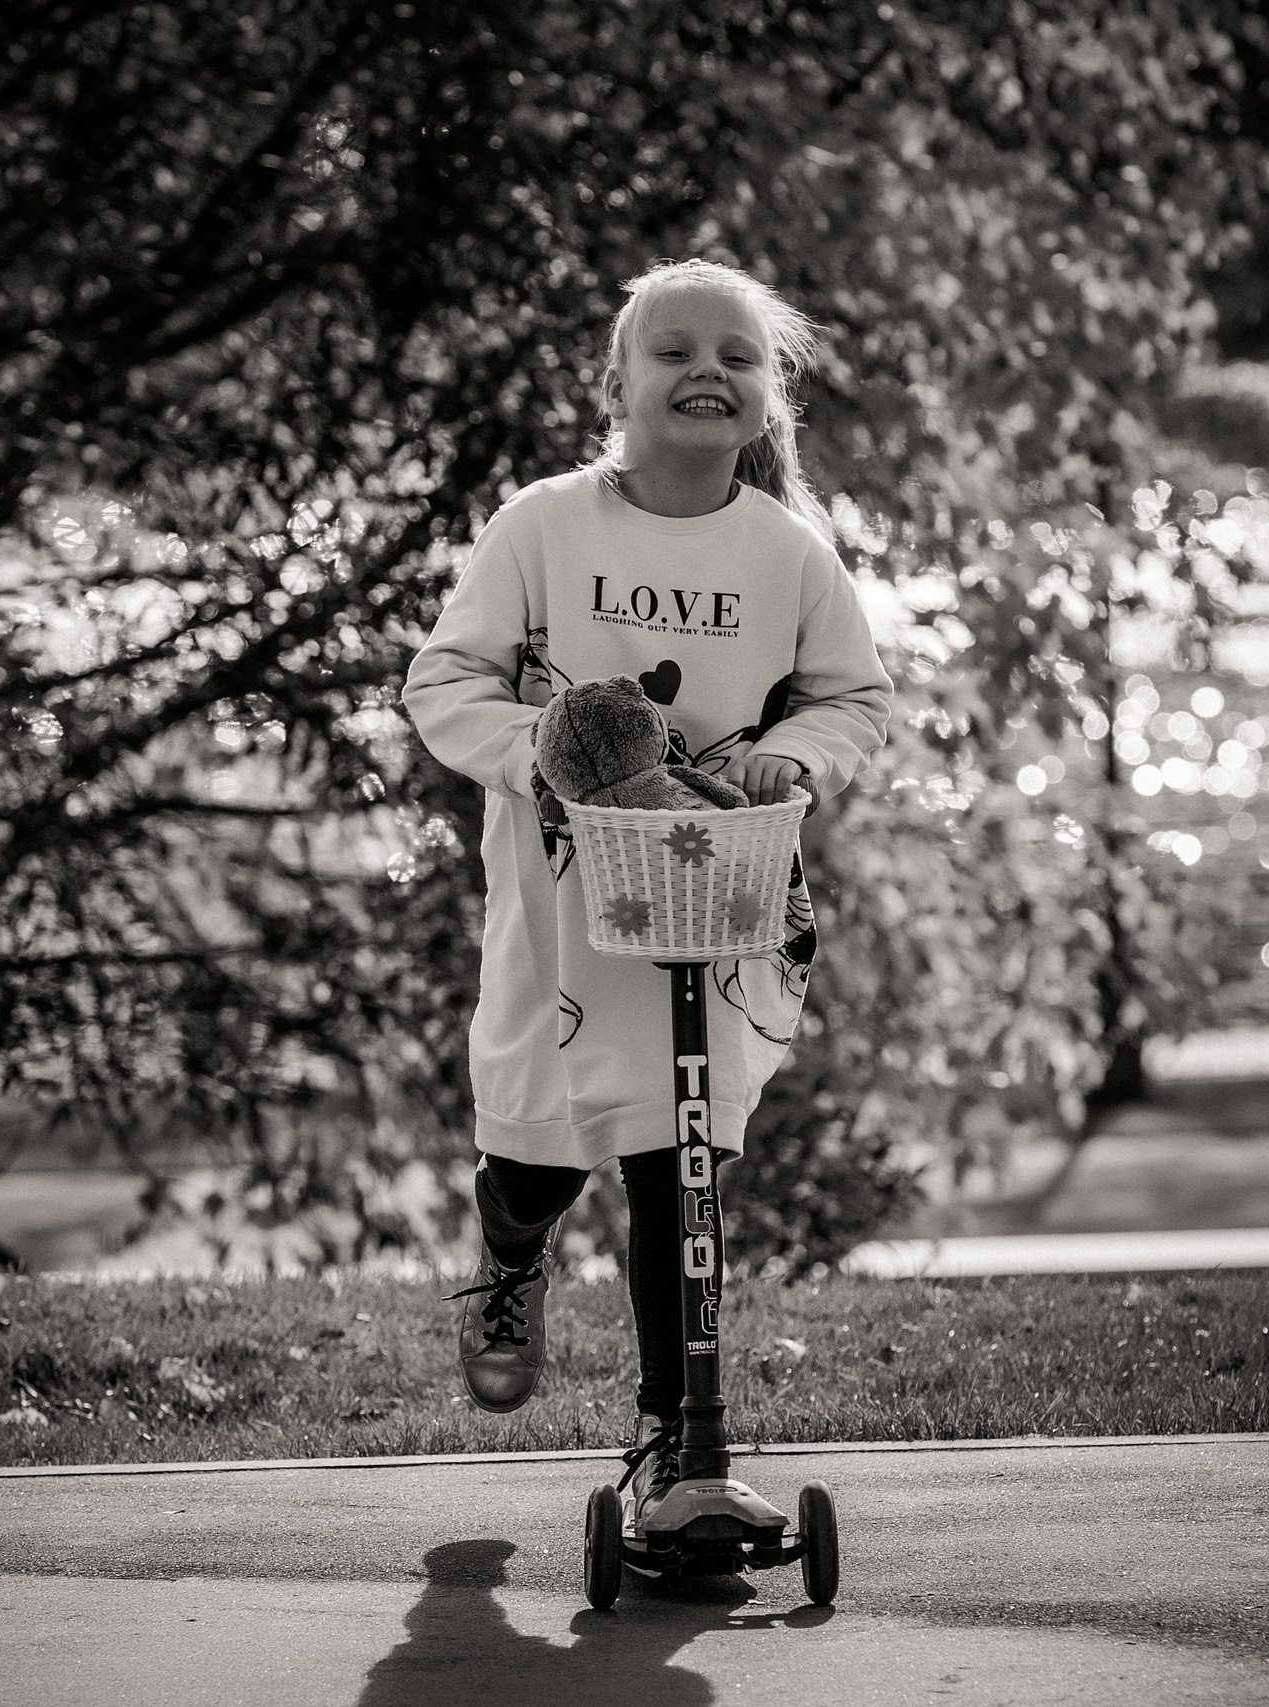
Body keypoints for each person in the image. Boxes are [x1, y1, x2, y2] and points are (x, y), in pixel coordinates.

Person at [401, 257, 892, 1518]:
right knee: (540, 1151)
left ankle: (684, 1449)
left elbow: (854, 699)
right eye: (672, 352)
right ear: (615, 383)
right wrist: (544, 761)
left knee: (678, 1167)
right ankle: (510, 1254)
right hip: (564, 907)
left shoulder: (786, 554)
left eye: (735, 356)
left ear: (769, 395)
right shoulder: (546, 525)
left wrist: (793, 759)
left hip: (709, 905)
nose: (704, 374)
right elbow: (444, 684)